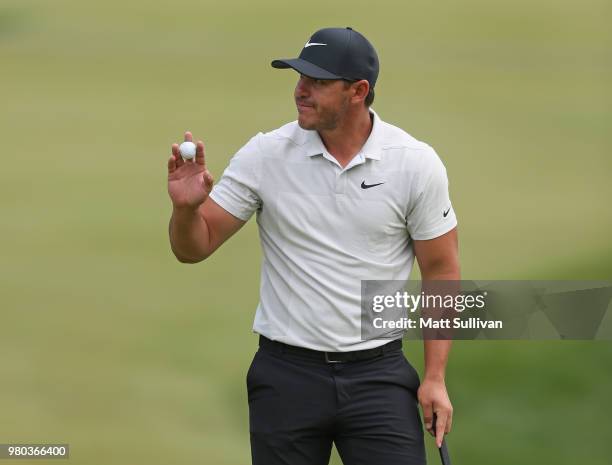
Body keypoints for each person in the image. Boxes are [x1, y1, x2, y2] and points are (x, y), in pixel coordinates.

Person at [167, 27, 459, 465]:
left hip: (378, 375)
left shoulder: (414, 163)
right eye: (299, 77)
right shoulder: (265, 155)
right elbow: (193, 248)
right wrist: (188, 211)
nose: (300, 91)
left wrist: (434, 377)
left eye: (318, 82)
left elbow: (441, 271)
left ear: (358, 91)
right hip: (286, 376)